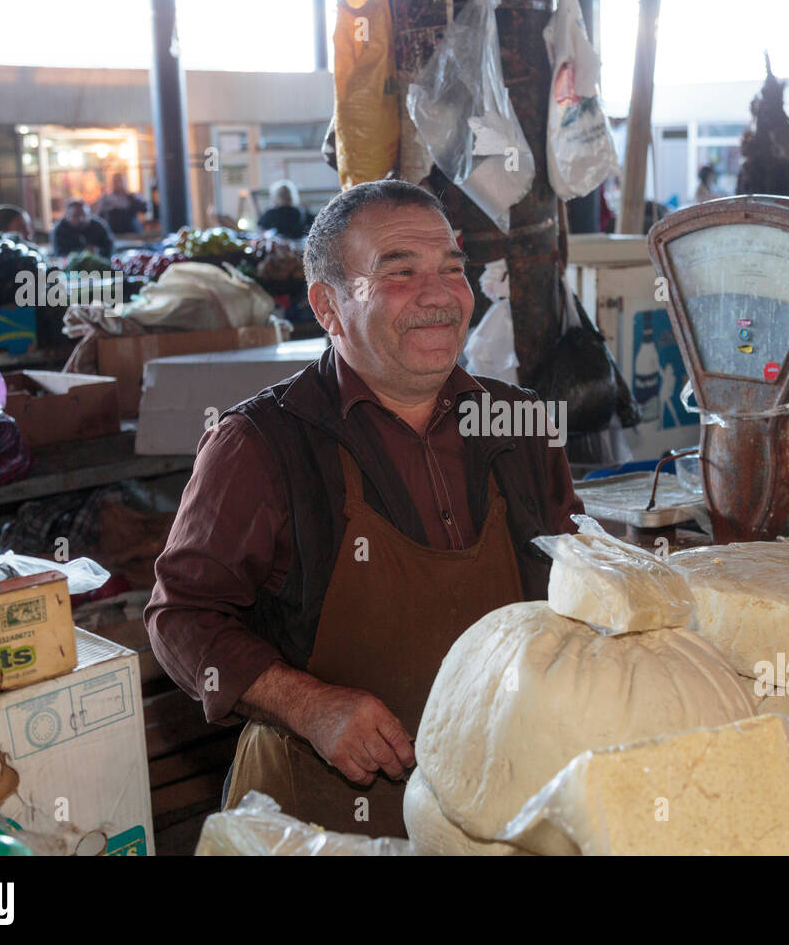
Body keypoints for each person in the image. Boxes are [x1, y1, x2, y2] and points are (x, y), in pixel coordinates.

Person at [145, 178, 583, 837]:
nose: (439, 296)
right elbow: (180, 615)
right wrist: (309, 706)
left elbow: (571, 577)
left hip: (498, 802)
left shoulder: (518, 421)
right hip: (322, 819)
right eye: (400, 273)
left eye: (452, 270)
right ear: (327, 305)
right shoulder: (261, 444)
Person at [50, 199, 115, 258]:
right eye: (76, 215)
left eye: (84, 215)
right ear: (67, 216)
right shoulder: (59, 230)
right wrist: (81, 253)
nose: (81, 219)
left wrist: (98, 251)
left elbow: (110, 247)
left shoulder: (99, 226)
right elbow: (59, 254)